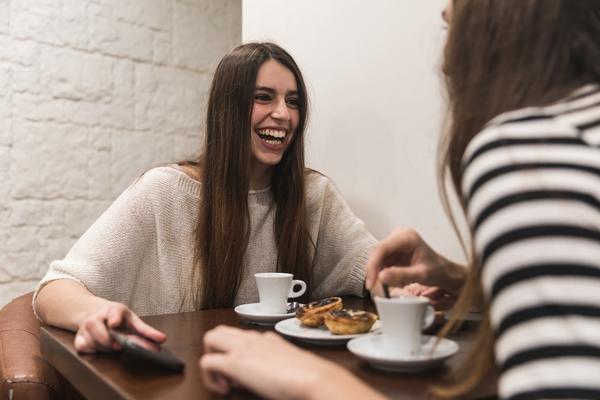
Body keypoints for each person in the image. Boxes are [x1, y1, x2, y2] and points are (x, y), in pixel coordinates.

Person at [199, 1, 600, 399]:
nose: (444, 60)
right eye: (263, 97)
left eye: (450, 28)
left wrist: (313, 380)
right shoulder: (165, 191)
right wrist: (464, 280)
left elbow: (365, 262)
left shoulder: (532, 150)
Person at [33, 42, 377, 353]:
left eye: (293, 101)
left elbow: (374, 267)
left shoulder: (314, 195)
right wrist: (97, 313)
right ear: (227, 109)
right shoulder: (163, 191)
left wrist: (405, 282)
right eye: (263, 97)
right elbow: (55, 289)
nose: (283, 115)